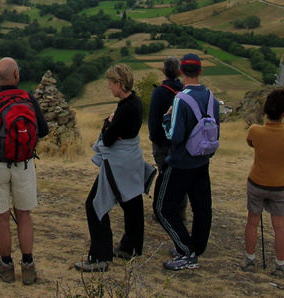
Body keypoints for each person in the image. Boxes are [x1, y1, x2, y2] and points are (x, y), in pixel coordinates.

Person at [0, 57, 49, 285]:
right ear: (16, 74)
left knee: (1, 216)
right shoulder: (28, 98)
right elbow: (43, 130)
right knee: (24, 214)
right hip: (24, 164)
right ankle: (28, 266)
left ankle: (6, 266)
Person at [76, 64, 147, 272]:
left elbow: (107, 139)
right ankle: (130, 247)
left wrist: (108, 124)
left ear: (118, 84)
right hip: (130, 161)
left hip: (118, 164)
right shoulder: (135, 102)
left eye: (110, 83)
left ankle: (99, 258)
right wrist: (111, 125)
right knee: (131, 201)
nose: (108, 87)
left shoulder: (126, 108)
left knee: (94, 204)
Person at [153, 53, 220, 271]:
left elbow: (175, 136)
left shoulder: (181, 99)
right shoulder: (211, 97)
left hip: (181, 162)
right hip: (202, 160)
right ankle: (195, 247)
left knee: (162, 208)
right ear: (200, 71)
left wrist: (166, 118)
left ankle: (186, 251)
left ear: (181, 71)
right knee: (201, 207)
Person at [241, 89, 284, 278]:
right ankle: (279, 265)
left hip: (257, 181)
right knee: (279, 225)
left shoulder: (255, 130)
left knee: (252, 222)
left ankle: (250, 260)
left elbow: (251, 143)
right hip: (279, 185)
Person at [149, 55, 186, 223]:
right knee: (180, 177)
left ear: (163, 71)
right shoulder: (185, 91)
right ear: (179, 72)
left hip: (163, 144)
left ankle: (161, 211)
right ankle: (180, 211)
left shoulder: (159, 92)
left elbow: (154, 119)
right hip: (181, 143)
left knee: (164, 177)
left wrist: (154, 138)